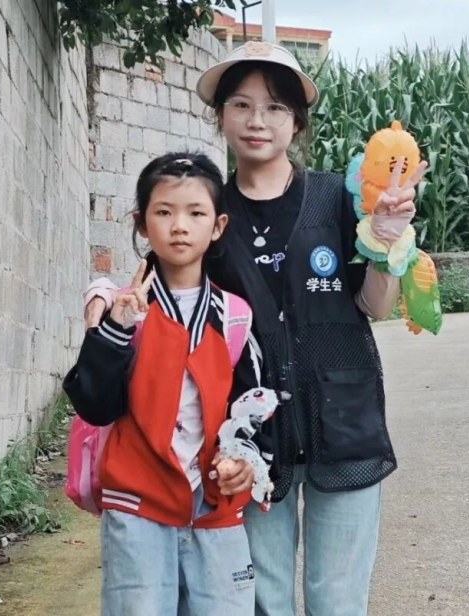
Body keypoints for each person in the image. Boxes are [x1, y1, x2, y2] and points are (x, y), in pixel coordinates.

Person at [83, 42, 428, 616]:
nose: (257, 121)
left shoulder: (335, 200)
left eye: (274, 108)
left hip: (344, 423)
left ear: (297, 121)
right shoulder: (207, 208)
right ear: (220, 117)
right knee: (264, 601)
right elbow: (153, 286)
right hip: (249, 441)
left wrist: (386, 241)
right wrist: (100, 292)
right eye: (241, 105)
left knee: (338, 601)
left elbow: (374, 305)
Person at [64, 152, 276, 616]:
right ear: (142, 224)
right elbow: (95, 406)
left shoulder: (235, 316)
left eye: (196, 213)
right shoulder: (124, 310)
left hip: (215, 505)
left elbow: (252, 407)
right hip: (136, 504)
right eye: (164, 212)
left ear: (218, 226)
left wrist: (244, 461)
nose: (179, 226)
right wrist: (116, 329)